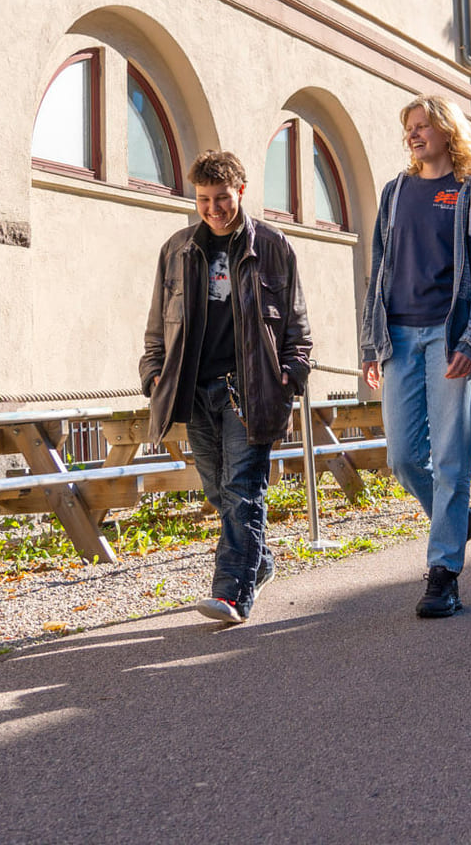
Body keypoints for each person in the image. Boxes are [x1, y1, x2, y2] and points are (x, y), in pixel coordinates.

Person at [140, 150, 312, 624]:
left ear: (241, 190)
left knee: (241, 488)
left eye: (221, 198)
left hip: (249, 389)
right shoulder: (177, 248)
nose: (213, 208)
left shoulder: (273, 246)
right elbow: (159, 322)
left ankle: (231, 595)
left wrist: (291, 373)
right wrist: (152, 370)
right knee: (219, 490)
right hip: (194, 389)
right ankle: (259, 562)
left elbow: (296, 322)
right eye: (203, 199)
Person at [360, 95, 471, 618]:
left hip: (449, 341)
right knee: (403, 455)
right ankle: (456, 516)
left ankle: (443, 573)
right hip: (398, 337)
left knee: (449, 456)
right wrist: (369, 343)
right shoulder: (396, 192)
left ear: (447, 132)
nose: (415, 135)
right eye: (410, 129)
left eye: (424, 126)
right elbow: (378, 268)